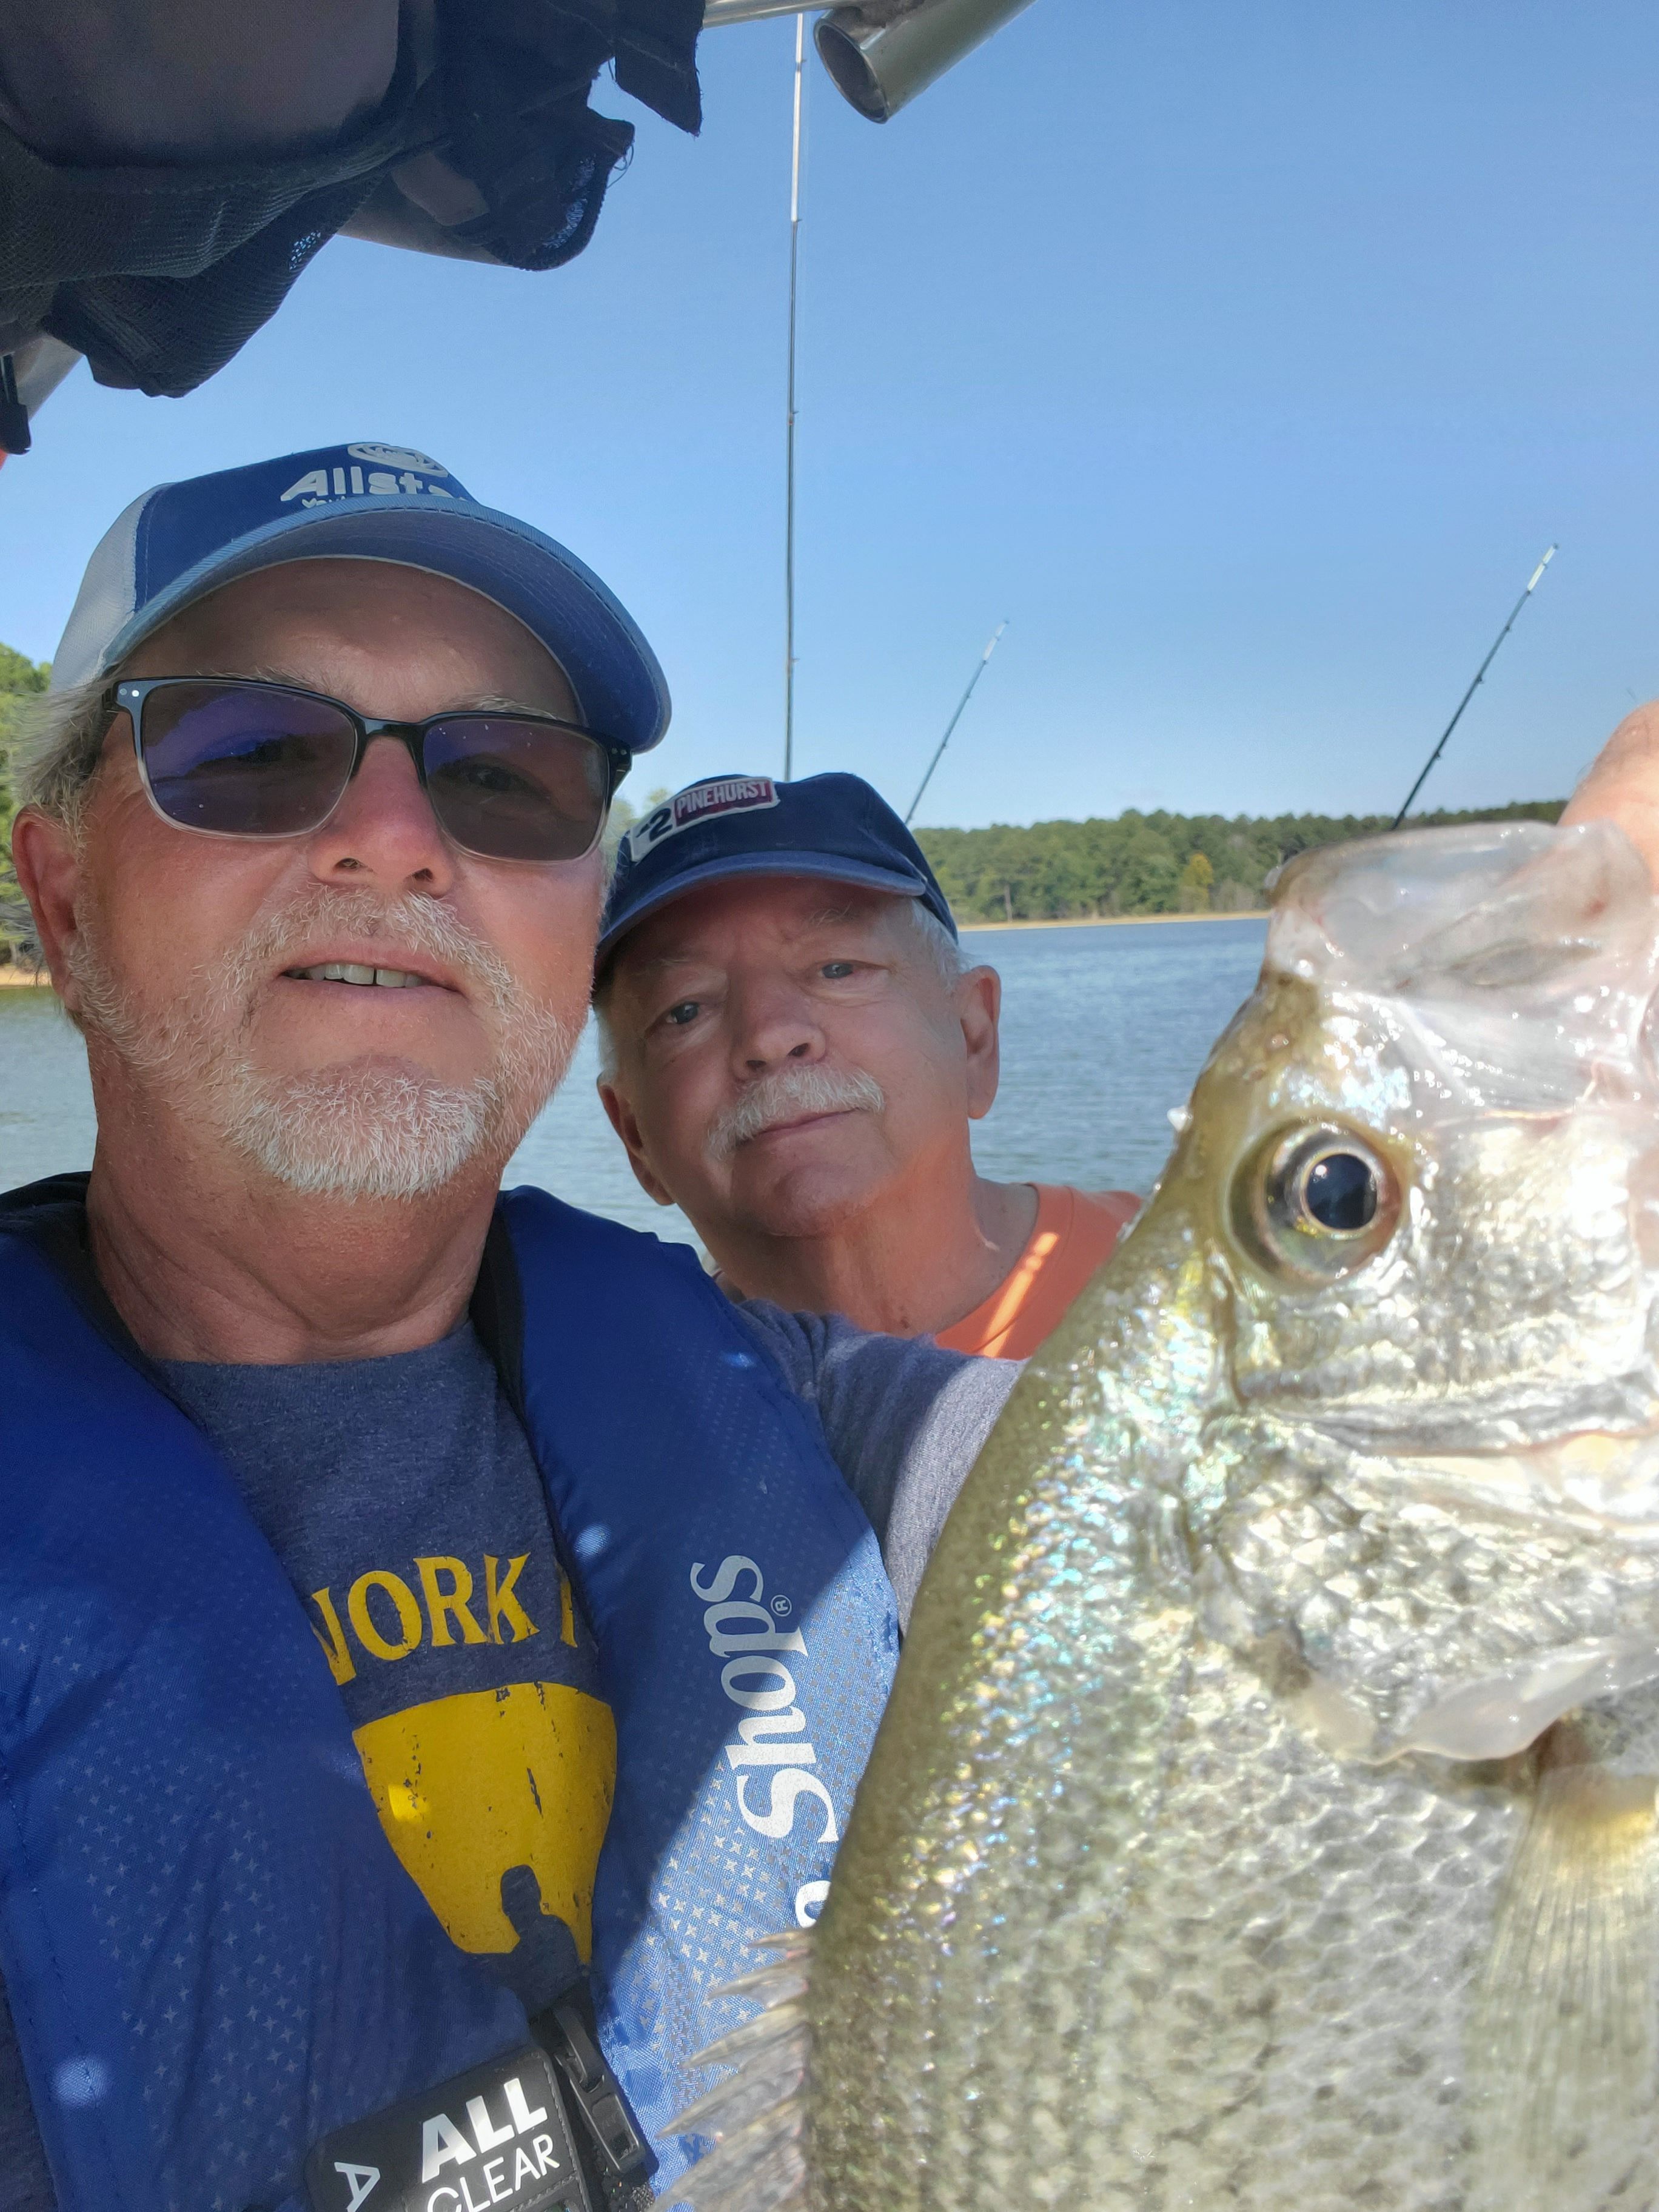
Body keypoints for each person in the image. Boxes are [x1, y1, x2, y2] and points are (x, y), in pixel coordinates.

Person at [0, 444, 1018, 2212]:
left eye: (508, 778)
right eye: (249, 750)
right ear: (66, 897)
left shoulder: (834, 1427)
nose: (395, 841)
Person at [593, 773, 1139, 1357]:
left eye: (837, 969)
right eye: (685, 1010)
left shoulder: (1202, 1280)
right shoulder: (625, 1406)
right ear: (635, 1136)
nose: (770, 1035)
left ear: (973, 1038)